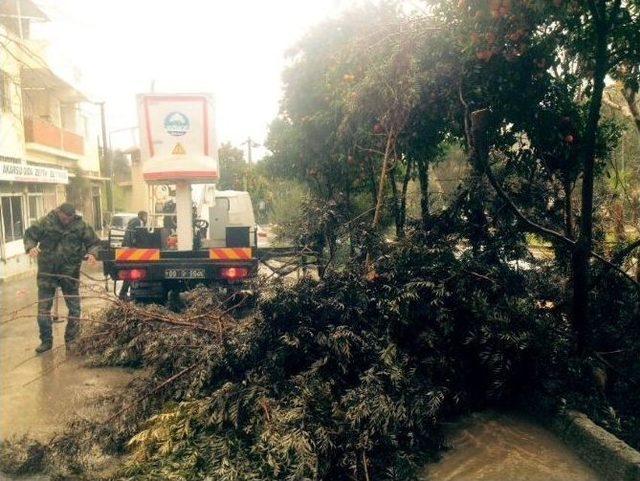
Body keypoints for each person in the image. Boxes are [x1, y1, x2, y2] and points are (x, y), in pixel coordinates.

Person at [24, 202, 100, 353]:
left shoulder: (80, 225)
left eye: (69, 218)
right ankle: (46, 341)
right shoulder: (45, 222)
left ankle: (71, 340)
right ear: (58, 212)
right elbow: (29, 235)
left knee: (74, 309)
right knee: (43, 310)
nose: (67, 221)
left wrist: (92, 253)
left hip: (70, 273)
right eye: (65, 218)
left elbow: (94, 242)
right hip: (47, 273)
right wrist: (31, 246)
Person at [119, 210, 148, 300]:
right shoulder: (138, 221)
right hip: (131, 248)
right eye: (146, 217)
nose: (146, 219)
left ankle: (123, 293)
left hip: (127, 247)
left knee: (130, 271)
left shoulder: (133, 220)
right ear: (143, 216)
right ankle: (123, 294)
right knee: (131, 270)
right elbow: (139, 235)